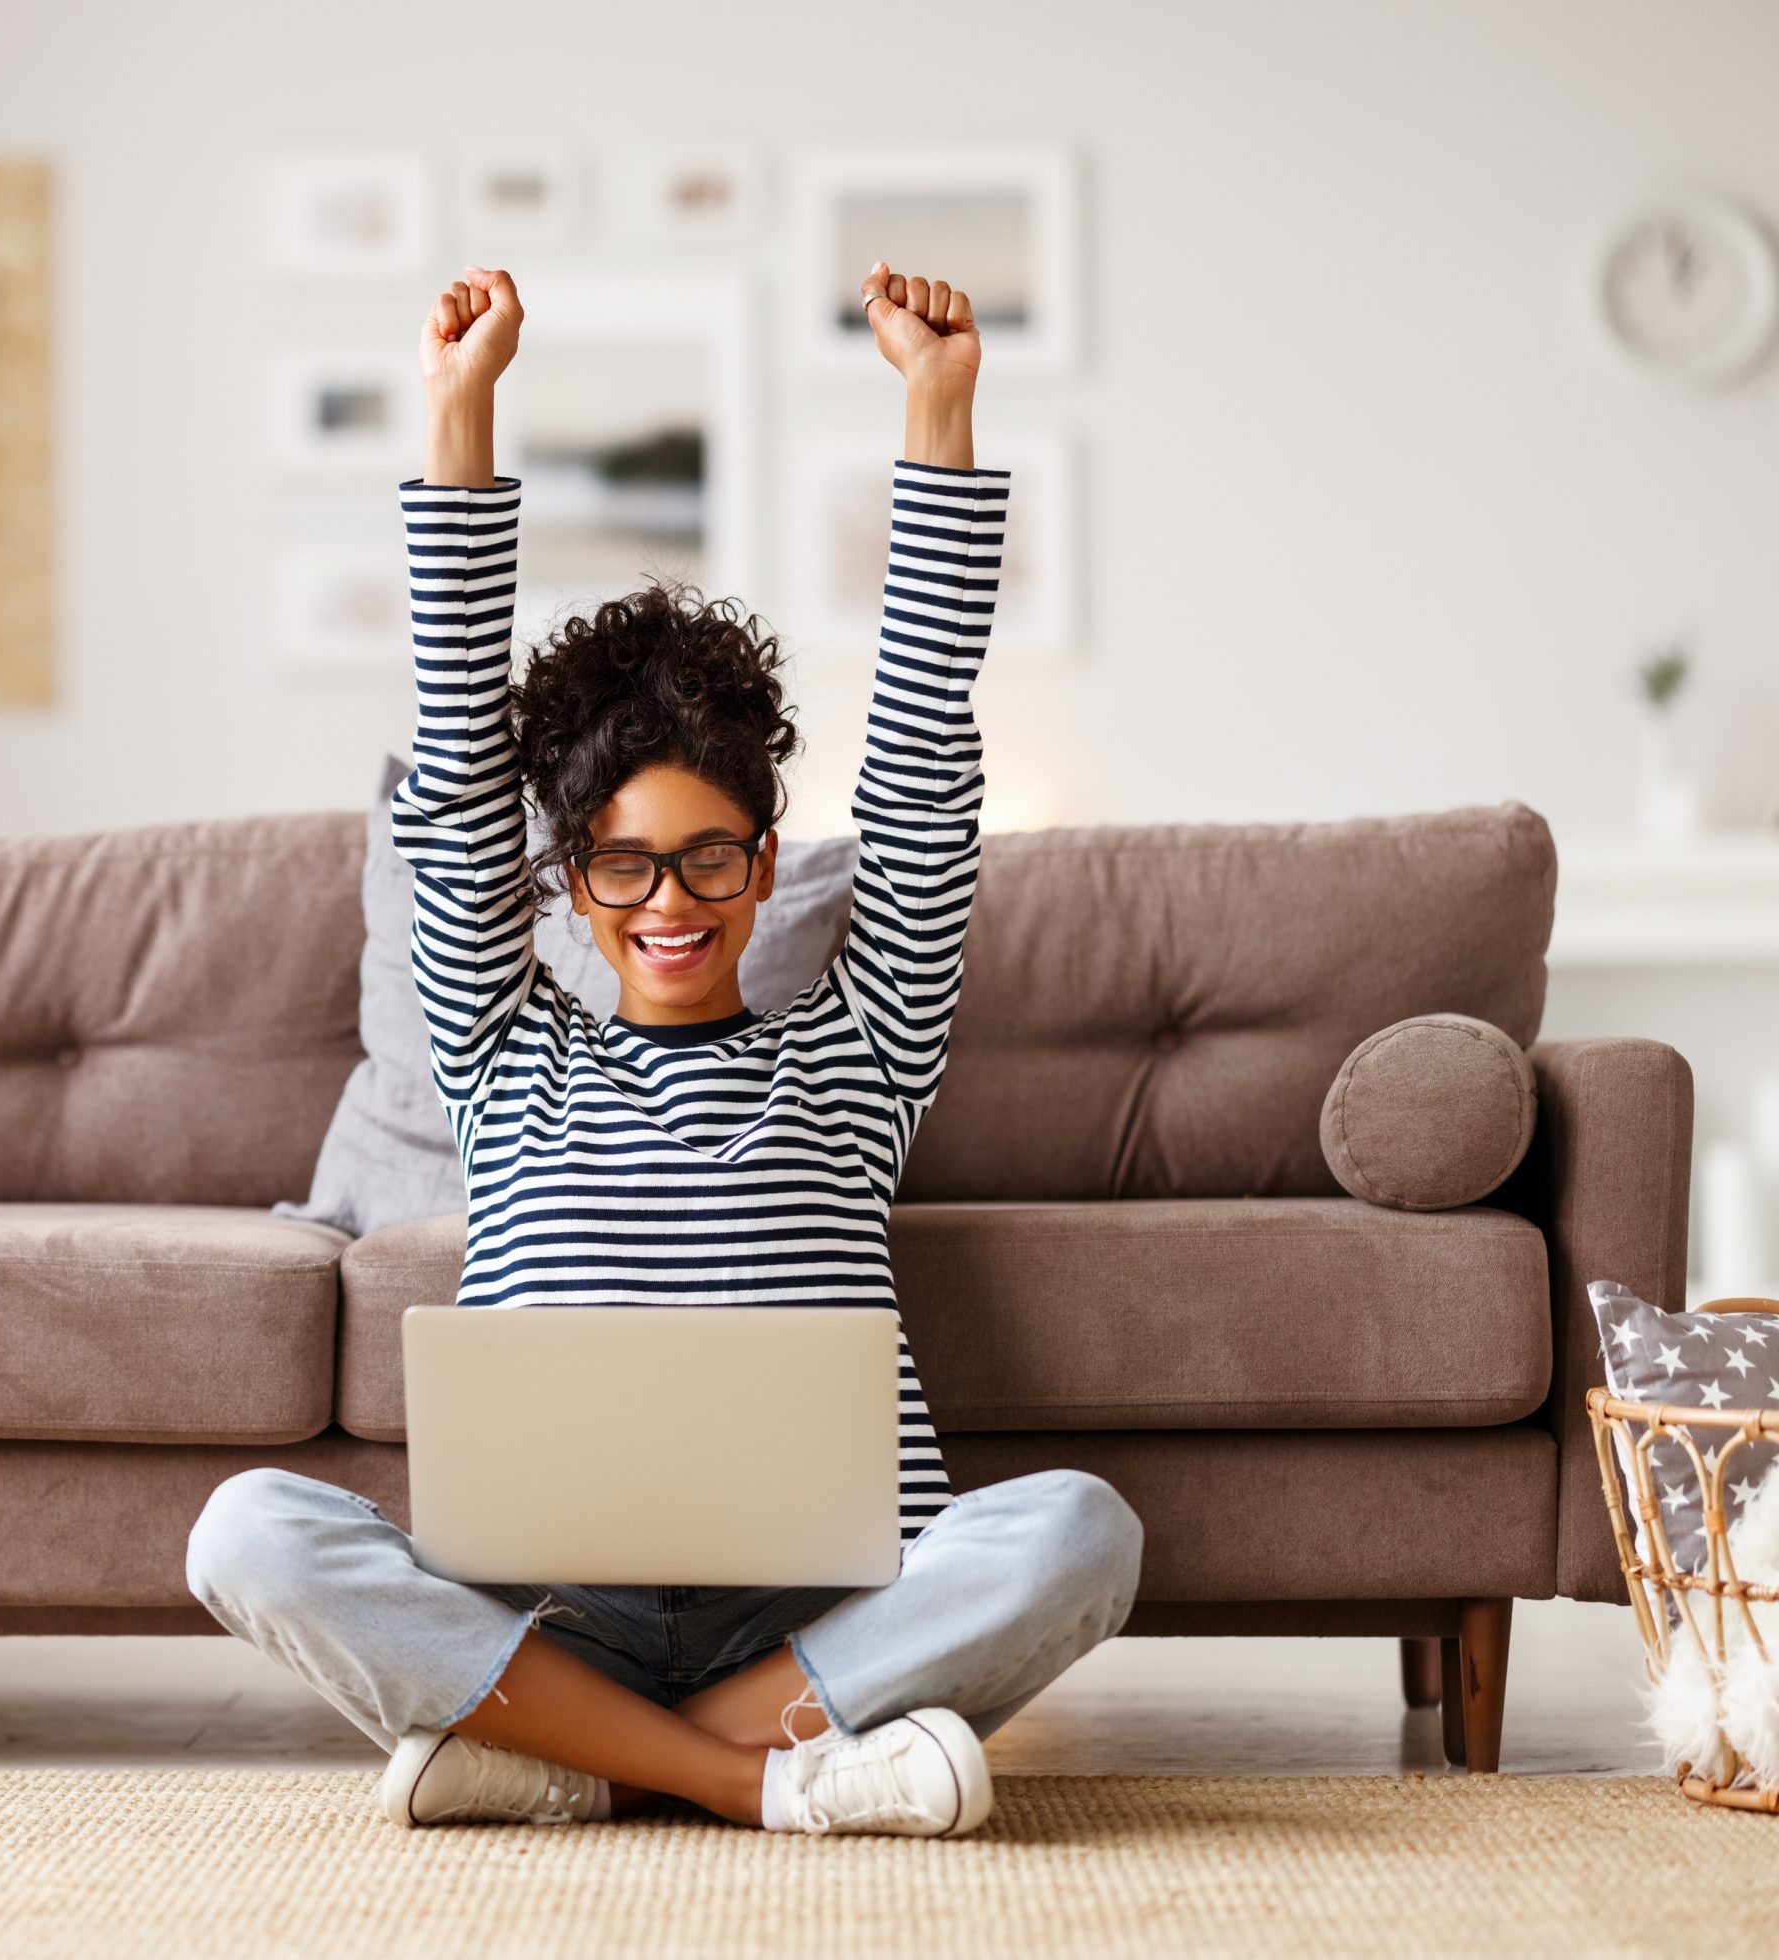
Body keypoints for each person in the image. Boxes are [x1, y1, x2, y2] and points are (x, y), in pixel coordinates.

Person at [187, 261, 1142, 1838]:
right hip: (557, 1609)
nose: (672, 901)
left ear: (767, 864)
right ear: (567, 884)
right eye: (624, 864)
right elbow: (450, 755)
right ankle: (757, 1781)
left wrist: (939, 409)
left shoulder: (862, 1044)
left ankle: (579, 1756)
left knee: (1078, 1533)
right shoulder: (498, 1047)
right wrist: (460, 411)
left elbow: (921, 766)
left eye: (712, 856)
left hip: (824, 1616)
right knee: (246, 1533)